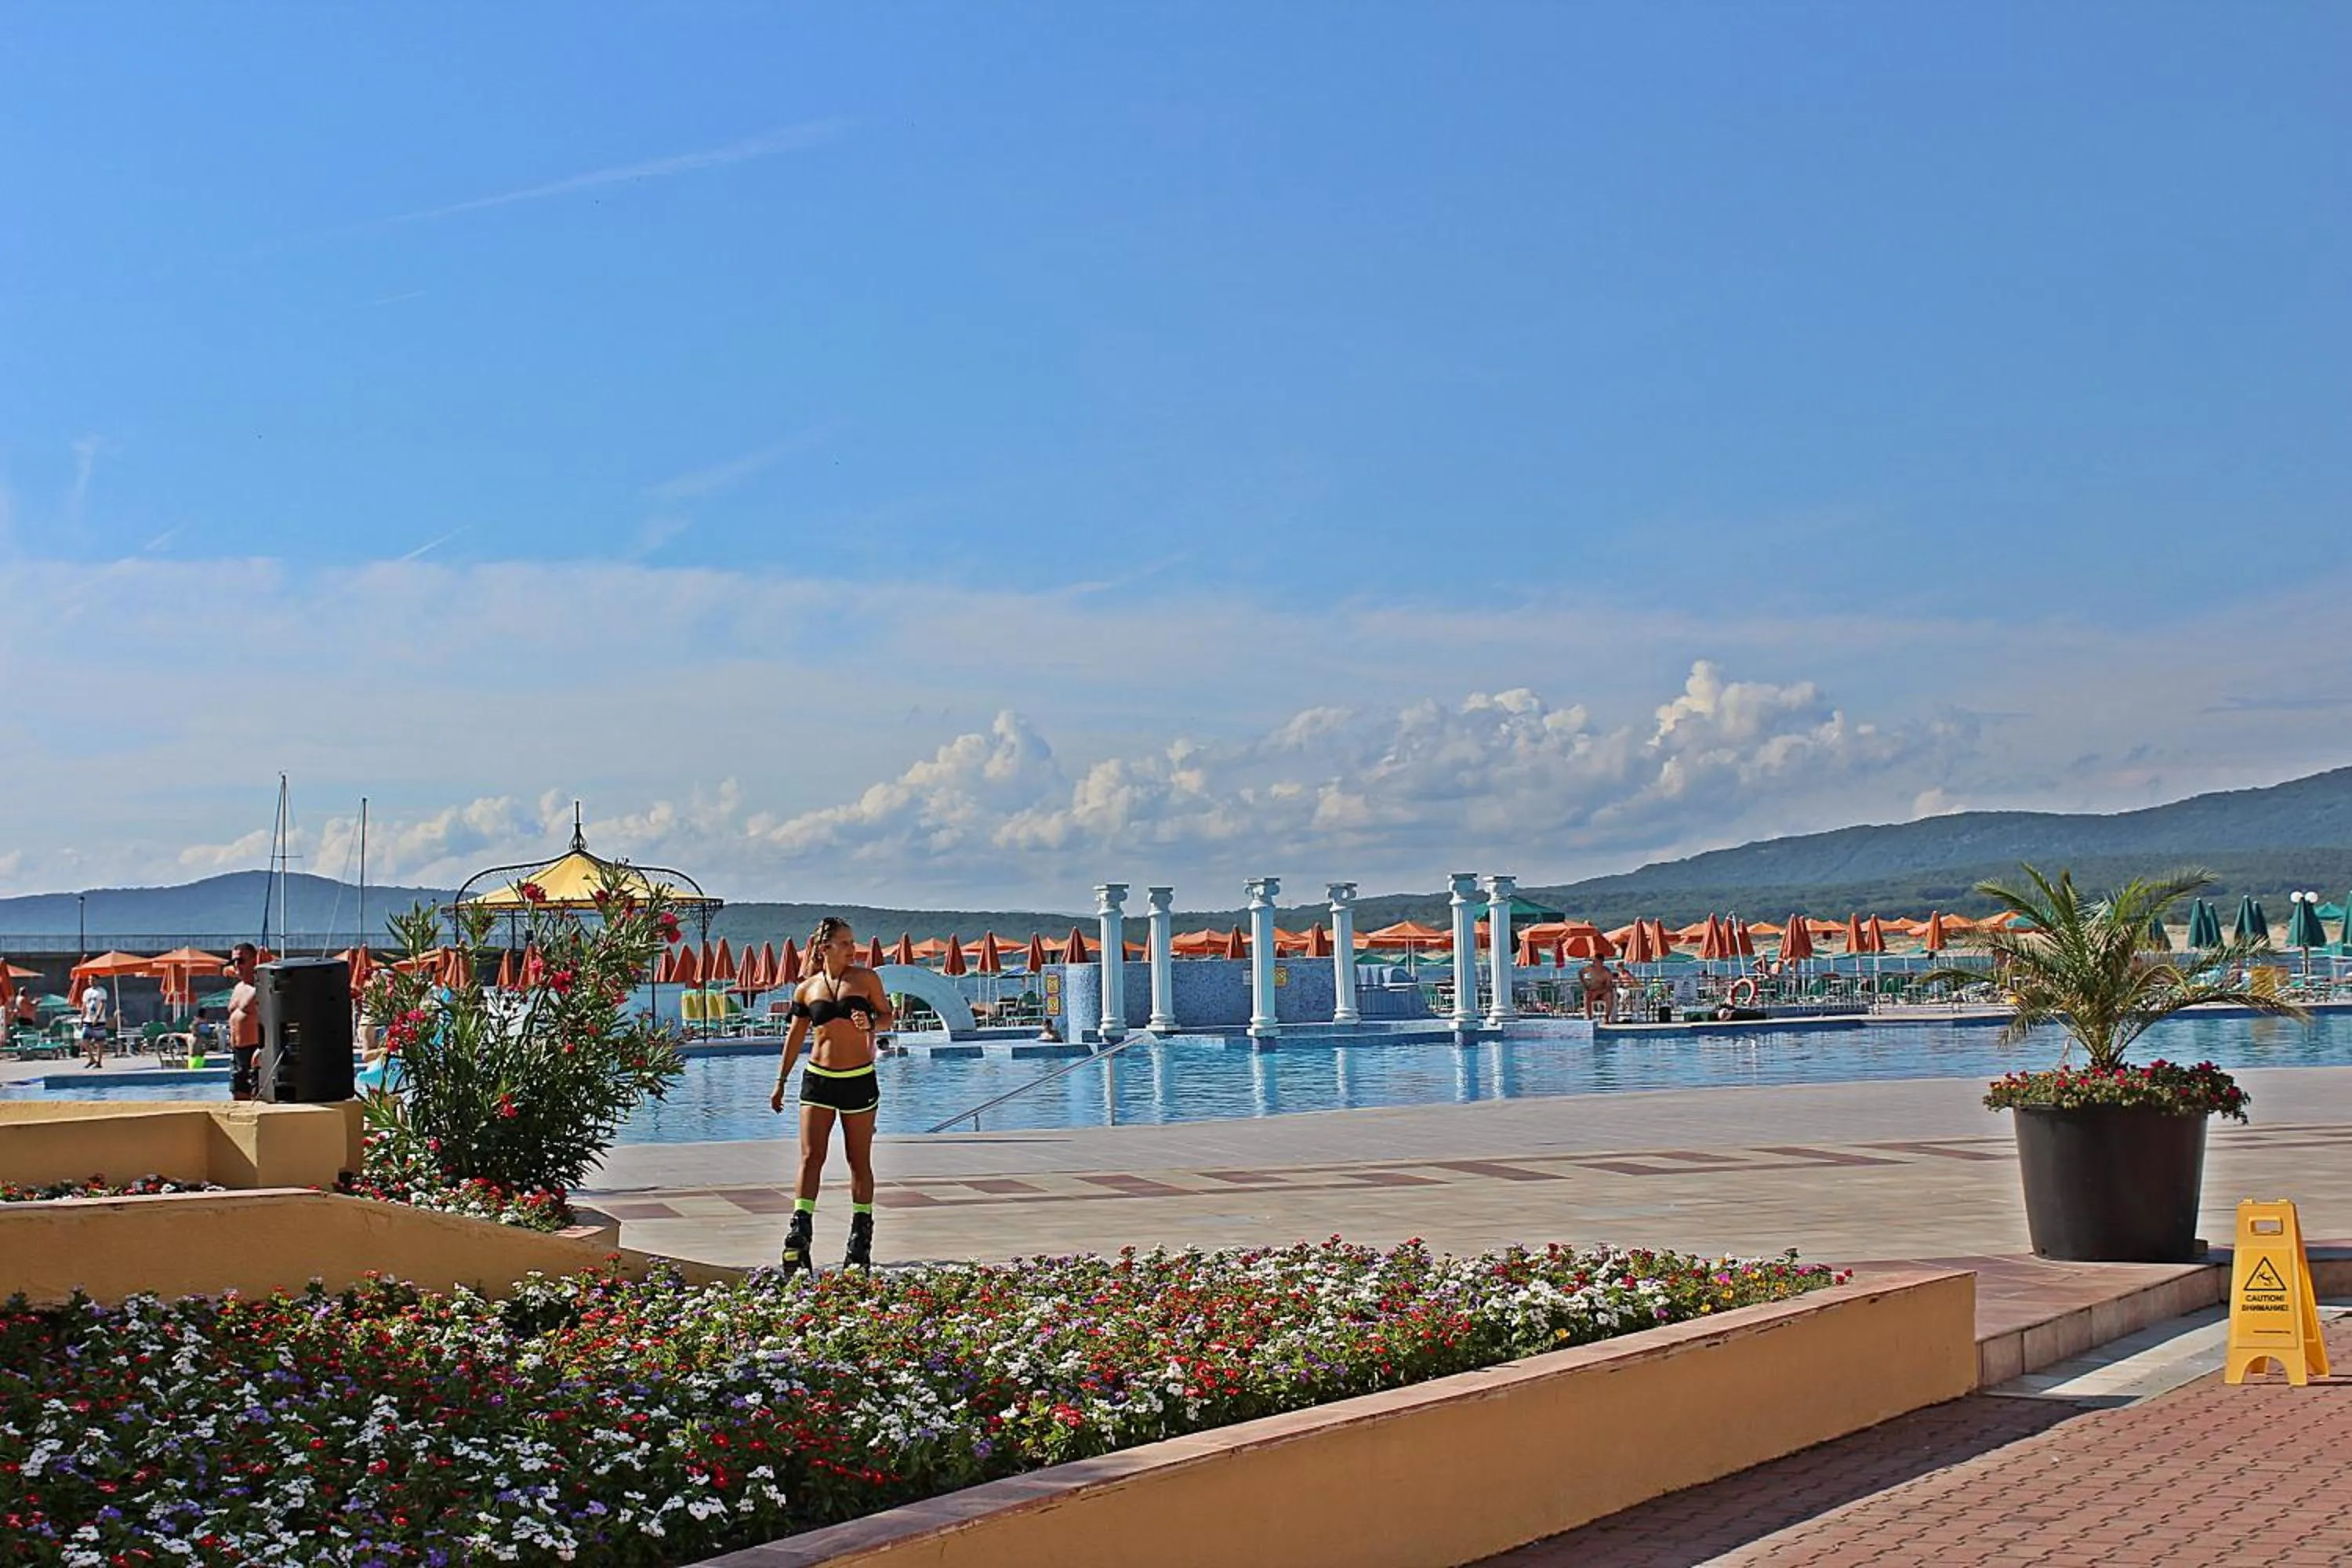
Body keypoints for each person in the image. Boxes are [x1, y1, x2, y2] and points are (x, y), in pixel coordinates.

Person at [768, 916, 894, 1275]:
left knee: (858, 1159)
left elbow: (887, 1017)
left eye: (853, 942)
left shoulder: (867, 979)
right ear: (825, 948)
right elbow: (795, 1037)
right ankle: (800, 1231)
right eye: (845, 943)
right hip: (818, 1080)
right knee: (811, 1157)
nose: (853, 949)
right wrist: (781, 1081)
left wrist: (871, 1024)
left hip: (858, 1079)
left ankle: (860, 1237)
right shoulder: (807, 989)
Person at [226, 943, 263, 1100]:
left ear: (254, 960)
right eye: (233, 961)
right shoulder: (238, 988)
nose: (236, 965)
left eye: (241, 961)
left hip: (254, 1050)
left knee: (257, 1098)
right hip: (237, 1053)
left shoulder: (261, 987)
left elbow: (274, 1020)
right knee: (238, 1097)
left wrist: (263, 1049)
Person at [78, 979, 111, 1068]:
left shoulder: (101, 991)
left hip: (99, 1020)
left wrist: (98, 1017)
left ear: (97, 981)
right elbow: (84, 1006)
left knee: (99, 1041)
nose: (91, 982)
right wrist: (82, 1018)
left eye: (93, 980)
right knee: (84, 1040)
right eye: (90, 980)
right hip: (88, 1019)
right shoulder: (86, 992)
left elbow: (102, 1004)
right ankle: (92, 1058)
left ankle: (99, 1061)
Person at [1578, 954, 1617, 1022]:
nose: (1594, 963)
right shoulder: (1591, 968)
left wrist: (1598, 992)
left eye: (1596, 961)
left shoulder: (1607, 972)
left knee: (1609, 995)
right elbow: (1580, 973)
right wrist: (1585, 985)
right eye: (1593, 961)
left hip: (1603, 992)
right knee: (1587, 995)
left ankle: (1606, 1017)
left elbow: (1608, 987)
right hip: (1593, 991)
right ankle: (1589, 1017)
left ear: (1601, 962)